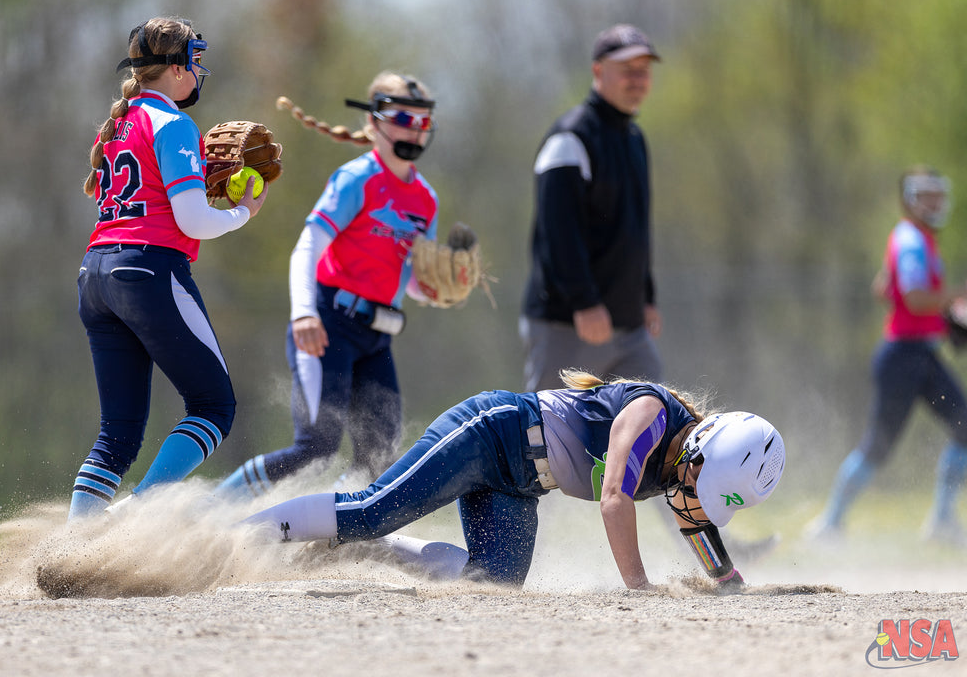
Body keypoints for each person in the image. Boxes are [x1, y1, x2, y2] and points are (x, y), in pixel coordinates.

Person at [235, 369, 786, 590]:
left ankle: (367, 549)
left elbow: (695, 517)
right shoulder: (651, 412)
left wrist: (727, 580)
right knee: (373, 506)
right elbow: (614, 499)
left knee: (492, 583)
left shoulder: (686, 462)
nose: (693, 497)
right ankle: (229, 538)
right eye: (700, 482)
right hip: (494, 432)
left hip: (519, 483)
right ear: (698, 448)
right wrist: (639, 590)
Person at [68, 17, 268, 519]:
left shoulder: (117, 123)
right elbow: (193, 220)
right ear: (177, 69)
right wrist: (243, 212)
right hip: (148, 271)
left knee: (117, 433)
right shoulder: (174, 124)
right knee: (213, 408)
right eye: (196, 62)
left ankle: (68, 553)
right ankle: (134, 523)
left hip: (95, 274)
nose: (200, 73)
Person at [217, 72, 440, 498]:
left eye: (422, 121)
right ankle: (211, 512)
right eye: (400, 117)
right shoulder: (358, 178)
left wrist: (428, 288)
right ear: (373, 122)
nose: (413, 129)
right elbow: (307, 247)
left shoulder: (426, 199)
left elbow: (407, 277)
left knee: (380, 456)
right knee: (317, 448)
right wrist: (304, 312)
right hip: (328, 324)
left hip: (377, 337)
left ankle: (339, 528)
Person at [807, 166, 967, 545]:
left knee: (965, 427)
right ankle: (829, 525)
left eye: (938, 194)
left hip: (922, 355)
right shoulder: (912, 240)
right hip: (901, 359)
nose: (935, 201)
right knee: (878, 446)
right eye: (927, 194)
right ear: (910, 199)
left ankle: (942, 522)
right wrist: (954, 298)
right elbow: (912, 297)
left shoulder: (917, 238)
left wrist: (940, 311)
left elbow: (883, 288)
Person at [520, 23, 663, 392]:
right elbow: (558, 230)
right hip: (568, 325)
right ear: (598, 71)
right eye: (627, 69)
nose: (638, 78)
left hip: (629, 329)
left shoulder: (634, 138)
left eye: (643, 70)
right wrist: (583, 301)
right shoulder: (571, 136)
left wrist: (645, 297)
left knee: (653, 423)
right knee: (552, 439)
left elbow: (636, 229)